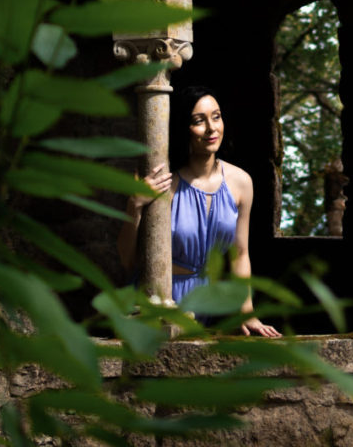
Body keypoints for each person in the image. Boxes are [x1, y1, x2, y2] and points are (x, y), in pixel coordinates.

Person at [118, 84, 281, 337]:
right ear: (184, 128)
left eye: (216, 117)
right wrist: (134, 205)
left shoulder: (241, 183)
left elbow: (240, 254)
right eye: (199, 121)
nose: (211, 128)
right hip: (159, 299)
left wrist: (247, 313)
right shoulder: (165, 185)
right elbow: (128, 261)